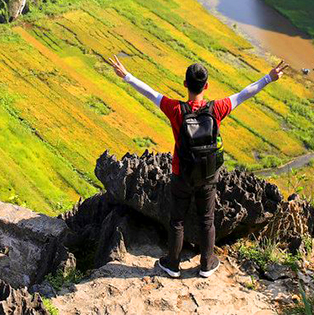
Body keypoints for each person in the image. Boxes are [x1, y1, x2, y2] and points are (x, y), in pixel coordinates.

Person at [107, 56, 287, 279]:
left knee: (177, 221)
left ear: (185, 84)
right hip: (207, 176)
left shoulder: (175, 109)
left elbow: (150, 93)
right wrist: (269, 77)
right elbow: (244, 94)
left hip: (181, 174)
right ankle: (207, 264)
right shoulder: (217, 109)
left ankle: (172, 265)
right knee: (207, 220)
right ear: (207, 86)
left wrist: (126, 76)